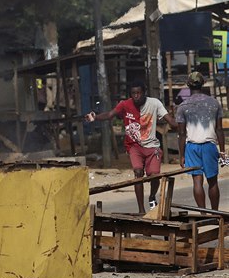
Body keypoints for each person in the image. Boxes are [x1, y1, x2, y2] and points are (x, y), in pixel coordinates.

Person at [85, 81, 177, 213]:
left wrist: (181, 125)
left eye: (139, 93)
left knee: (154, 175)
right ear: (130, 94)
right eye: (134, 93)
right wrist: (95, 117)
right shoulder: (125, 105)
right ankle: (141, 209)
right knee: (138, 172)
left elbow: (171, 121)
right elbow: (110, 115)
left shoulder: (155, 103)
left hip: (152, 146)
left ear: (144, 93)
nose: (136, 96)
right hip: (134, 146)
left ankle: (152, 196)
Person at [176, 72, 226, 210]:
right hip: (210, 146)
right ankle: (215, 213)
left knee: (197, 182)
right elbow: (219, 130)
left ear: (188, 84)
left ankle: (202, 214)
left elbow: (181, 133)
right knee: (212, 181)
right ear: (203, 83)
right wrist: (222, 151)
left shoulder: (183, 106)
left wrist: (182, 155)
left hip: (191, 147)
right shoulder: (214, 103)